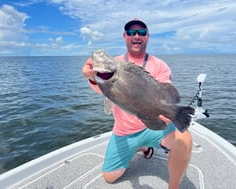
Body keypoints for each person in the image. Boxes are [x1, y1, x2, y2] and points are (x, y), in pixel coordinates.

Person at [82, 18, 192, 189]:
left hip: (151, 125)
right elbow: (104, 91)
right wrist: (92, 78)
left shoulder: (160, 65)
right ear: (125, 36)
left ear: (147, 36)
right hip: (124, 132)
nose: (136, 36)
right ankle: (142, 148)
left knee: (185, 139)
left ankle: (174, 186)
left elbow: (166, 91)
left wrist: (168, 112)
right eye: (132, 32)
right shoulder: (116, 64)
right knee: (110, 177)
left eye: (141, 32)